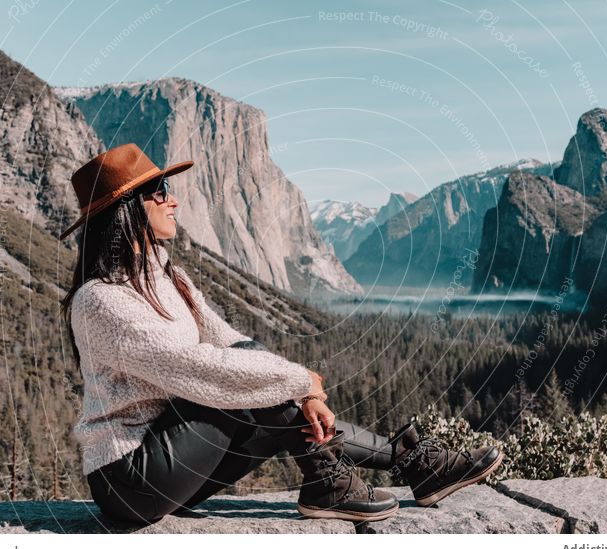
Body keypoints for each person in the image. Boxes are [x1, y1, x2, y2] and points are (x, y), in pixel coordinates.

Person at [59, 143, 504, 526]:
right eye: (161, 192)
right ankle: (362, 477)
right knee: (249, 388)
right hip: (129, 476)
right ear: (128, 209)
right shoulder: (100, 300)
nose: (173, 201)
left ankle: (406, 463)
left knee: (263, 386)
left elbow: (230, 340)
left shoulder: (166, 275)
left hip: (172, 460)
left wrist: (296, 385)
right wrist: (297, 381)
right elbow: (193, 367)